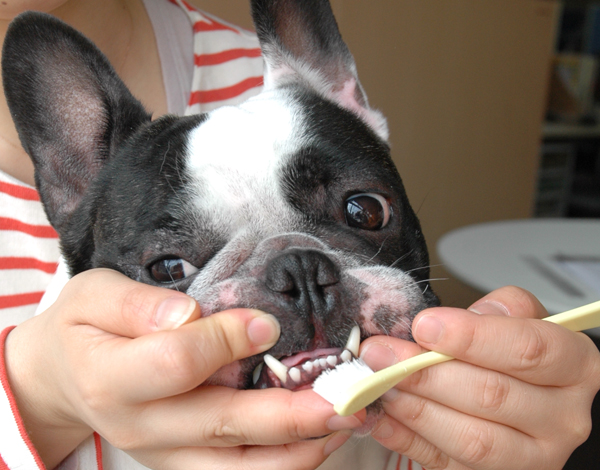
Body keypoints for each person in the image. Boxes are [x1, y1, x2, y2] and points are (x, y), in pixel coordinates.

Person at [0, 1, 599, 470]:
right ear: (72, 185)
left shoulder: (296, 101)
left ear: (353, 102)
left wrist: (492, 436)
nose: (302, 288)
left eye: (361, 214)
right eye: (172, 269)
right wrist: (40, 397)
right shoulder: (118, 177)